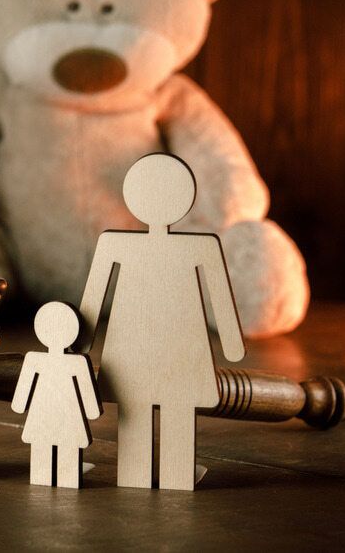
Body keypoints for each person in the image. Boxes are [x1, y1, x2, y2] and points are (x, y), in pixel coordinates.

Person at [77, 153, 245, 490]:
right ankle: (167, 475)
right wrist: (232, 345)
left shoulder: (126, 244)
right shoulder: (187, 246)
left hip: (157, 348)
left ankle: (157, 475)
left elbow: (93, 298)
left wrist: (79, 342)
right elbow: (93, 297)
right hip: (158, 348)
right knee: (149, 408)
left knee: (149, 408)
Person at [11, 302, 102, 488]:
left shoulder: (37, 359)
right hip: (65, 415)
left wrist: (20, 405)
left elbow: (20, 399)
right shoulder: (74, 362)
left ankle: (53, 477)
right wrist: (92, 411)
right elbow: (88, 395)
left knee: (48, 443)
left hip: (45, 415)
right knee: (54, 443)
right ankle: (58, 478)